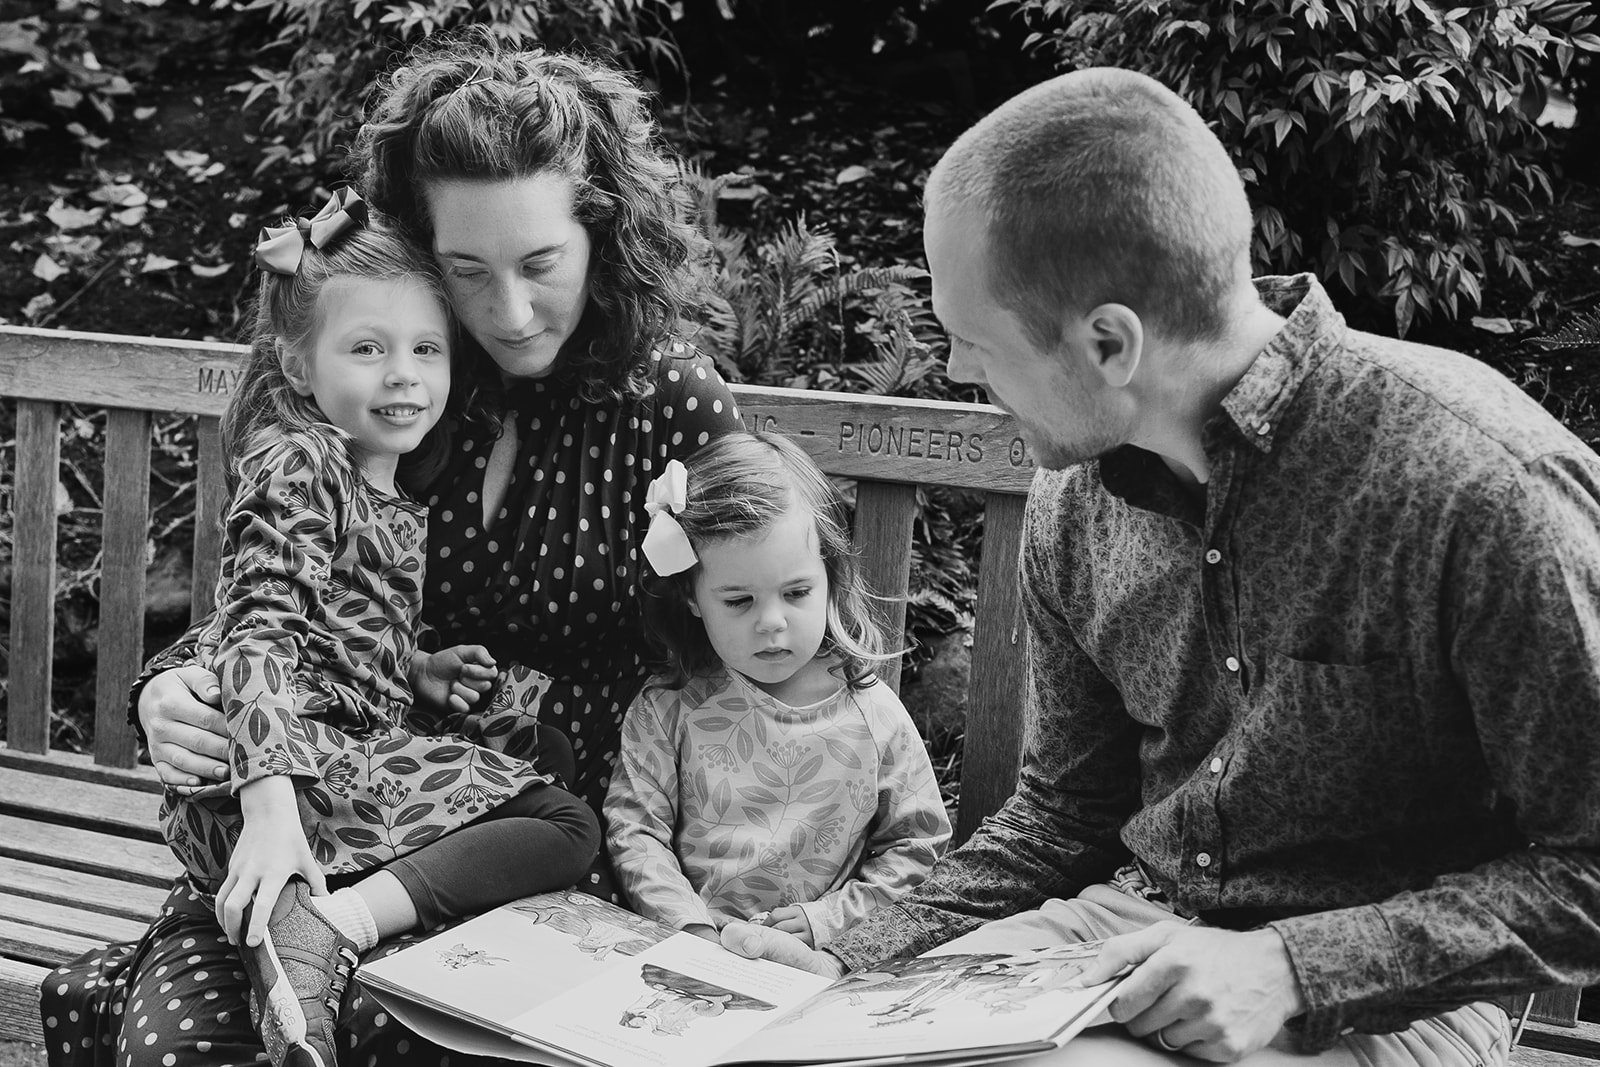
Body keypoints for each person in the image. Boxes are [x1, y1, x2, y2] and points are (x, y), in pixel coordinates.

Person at [721, 67, 1600, 1067]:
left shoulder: (1474, 485)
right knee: (796, 1043)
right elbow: (1067, 814)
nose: (960, 369)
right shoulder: (1075, 502)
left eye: (975, 342)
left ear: (1108, 342)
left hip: (1392, 1002)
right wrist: (843, 949)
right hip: (1114, 935)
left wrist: (1293, 966)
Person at [39, 31, 740, 1067]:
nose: (506, 312)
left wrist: (688, 566)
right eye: (466, 272)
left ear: (603, 230)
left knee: (389, 1034)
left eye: (540, 264)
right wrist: (171, 688)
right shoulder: (384, 378)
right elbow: (275, 590)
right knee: (178, 1050)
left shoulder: (668, 404)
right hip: (320, 811)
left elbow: (776, 622)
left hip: (524, 852)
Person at [161, 193, 600, 1067]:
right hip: (282, 780)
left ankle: (298, 922)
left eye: (425, 349)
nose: (404, 375)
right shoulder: (303, 460)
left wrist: (419, 666)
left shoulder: (376, 481)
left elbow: (336, 629)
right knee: (565, 825)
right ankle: (326, 925)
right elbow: (257, 636)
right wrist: (270, 811)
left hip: (311, 762)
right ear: (297, 364)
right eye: (368, 348)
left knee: (541, 745)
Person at [603, 432, 951, 948]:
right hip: (691, 952)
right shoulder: (669, 707)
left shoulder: (871, 712)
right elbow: (635, 829)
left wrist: (831, 919)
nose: (771, 622)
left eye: (796, 593)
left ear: (830, 578)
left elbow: (917, 846)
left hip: (817, 963)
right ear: (693, 597)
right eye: (739, 601)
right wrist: (686, 923)